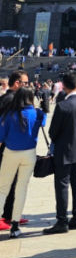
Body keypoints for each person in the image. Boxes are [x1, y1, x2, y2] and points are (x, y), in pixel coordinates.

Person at [44, 73, 76, 234]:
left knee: (62, 185)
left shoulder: (62, 106)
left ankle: (62, 221)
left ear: (64, 87)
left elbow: (53, 132)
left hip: (64, 150)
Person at [0, 88, 45, 238]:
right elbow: (43, 122)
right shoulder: (37, 113)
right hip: (29, 153)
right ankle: (15, 224)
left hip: (11, 152)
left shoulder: (9, 114)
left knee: (3, 188)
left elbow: (1, 137)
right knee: (21, 188)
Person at [0, 70, 30, 230]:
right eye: (25, 83)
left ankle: (9, 215)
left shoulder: (9, 98)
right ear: (17, 83)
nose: (27, 86)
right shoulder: (10, 100)